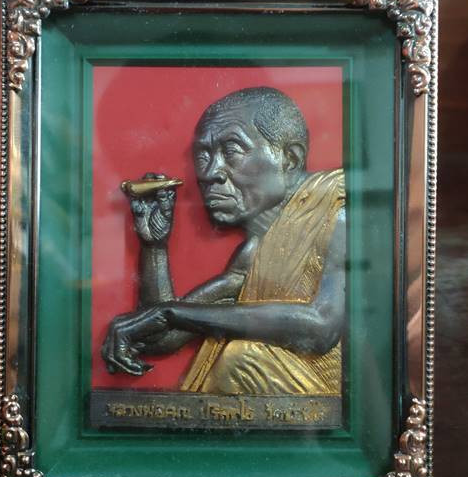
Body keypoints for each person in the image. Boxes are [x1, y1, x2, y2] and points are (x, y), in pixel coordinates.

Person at [102, 86, 345, 396]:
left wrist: (171, 314)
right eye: (203, 154)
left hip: (335, 414)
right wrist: (154, 248)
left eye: (231, 150)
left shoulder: (338, 212)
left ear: (289, 159)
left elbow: (321, 329)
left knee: (242, 360)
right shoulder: (253, 254)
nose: (209, 173)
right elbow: (162, 335)